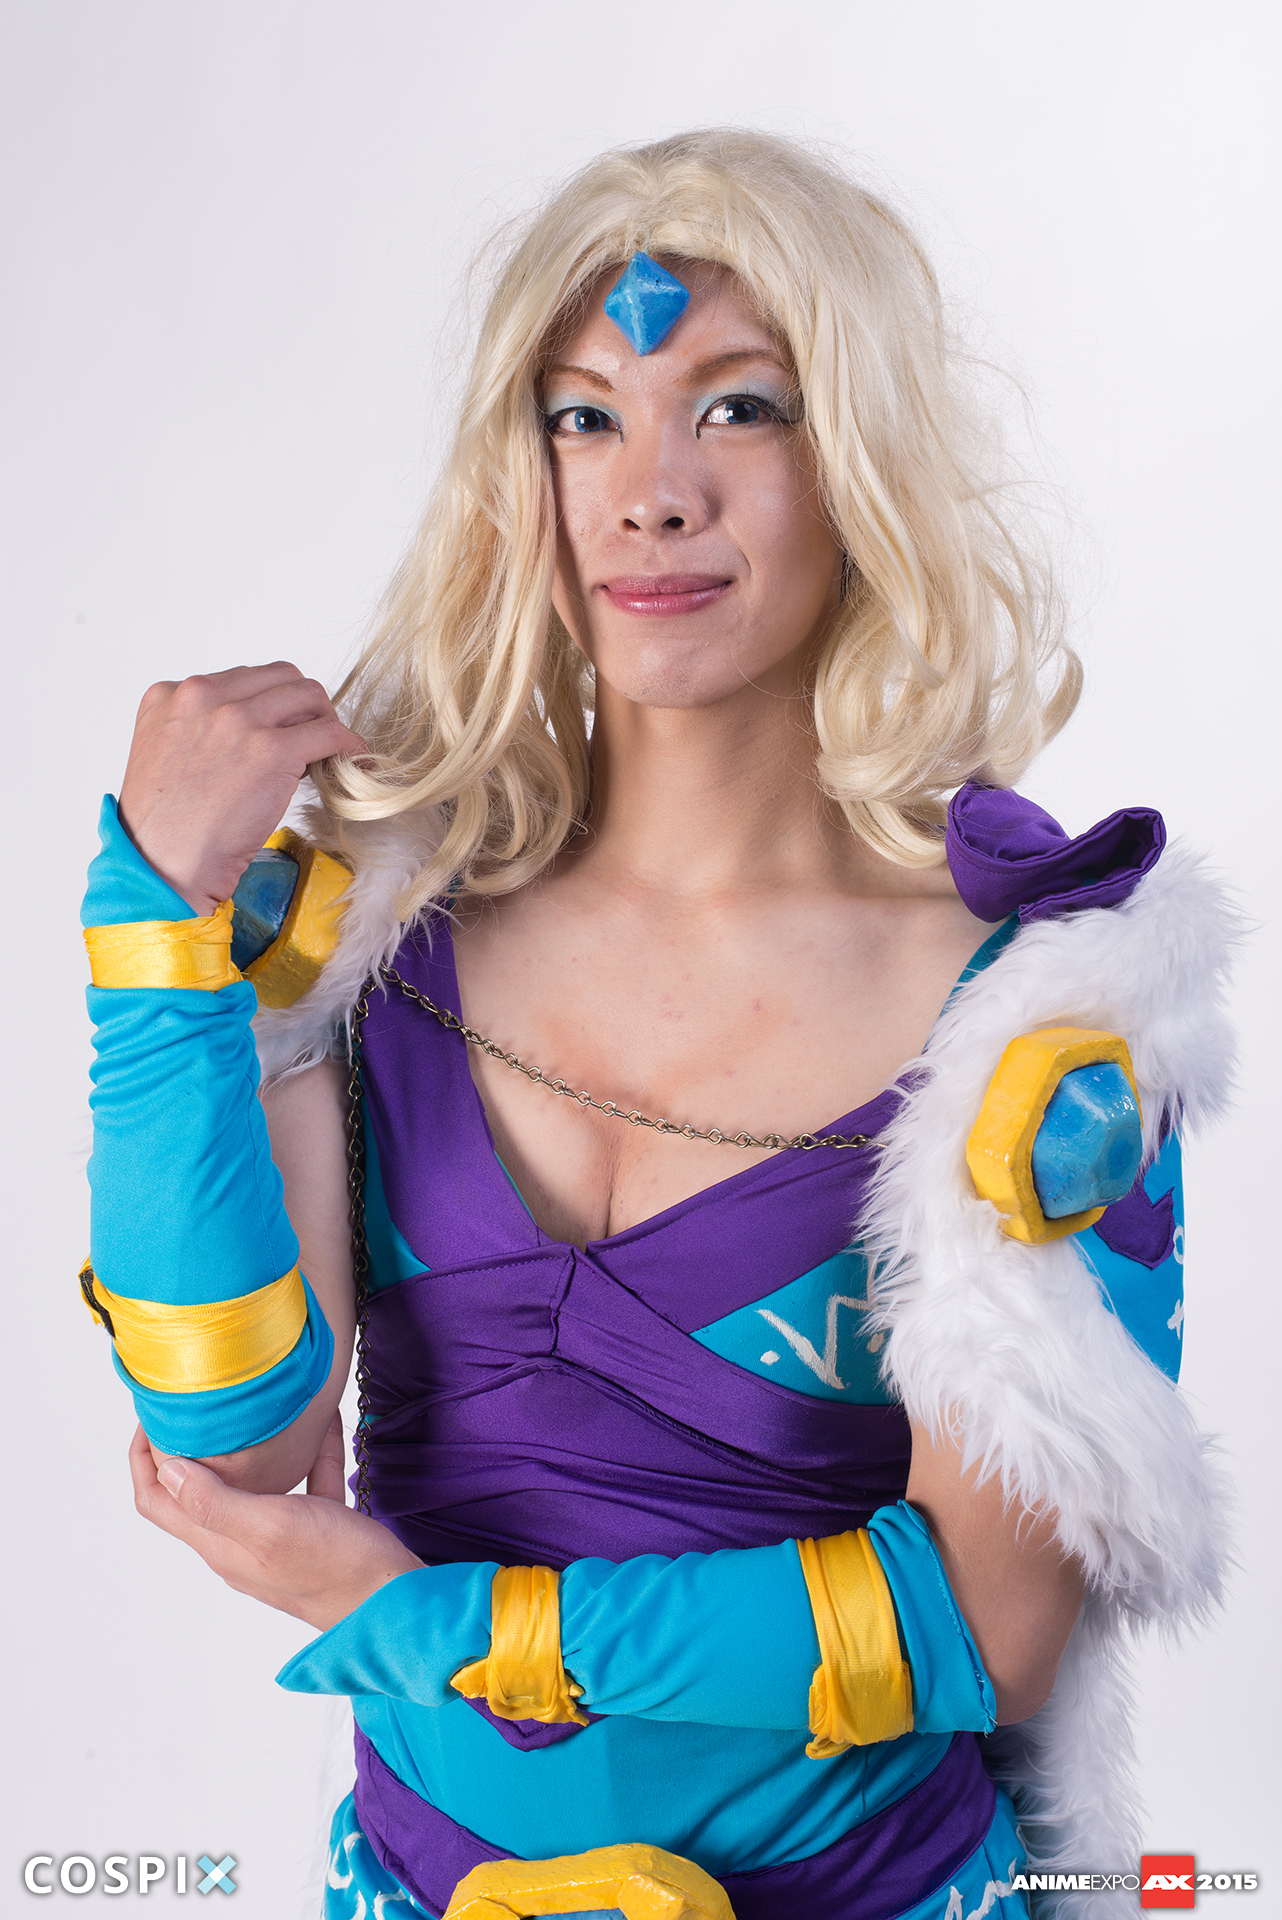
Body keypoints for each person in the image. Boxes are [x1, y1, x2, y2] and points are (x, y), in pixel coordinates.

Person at [80, 131, 1232, 1920]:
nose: (651, 495)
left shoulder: (1033, 1022)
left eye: (741, 408)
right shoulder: (381, 946)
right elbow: (234, 1451)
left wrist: (425, 1625)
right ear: (518, 478)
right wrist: (152, 937)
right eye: (583, 418)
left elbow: (985, 1630)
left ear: (860, 462)